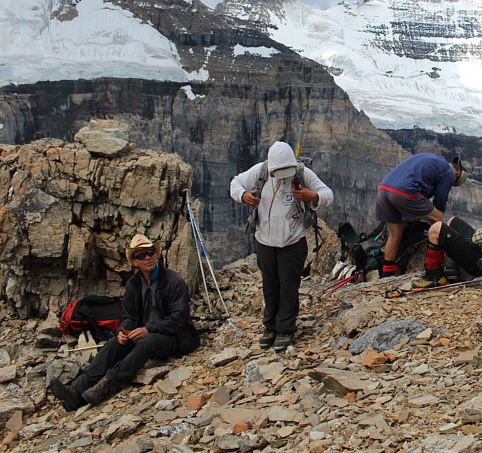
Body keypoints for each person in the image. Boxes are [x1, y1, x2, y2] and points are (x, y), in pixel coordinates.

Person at [49, 234, 200, 411]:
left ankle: (108, 384)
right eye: (141, 255)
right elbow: (130, 316)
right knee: (115, 343)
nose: (147, 258)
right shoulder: (133, 285)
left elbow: (179, 318)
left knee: (147, 342)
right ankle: (77, 390)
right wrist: (124, 331)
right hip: (146, 332)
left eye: (150, 253)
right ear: (134, 262)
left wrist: (148, 329)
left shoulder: (173, 281)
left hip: (177, 337)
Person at [229, 141, 333, 351]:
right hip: (264, 241)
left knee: (288, 285)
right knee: (270, 285)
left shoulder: (303, 175)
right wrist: (243, 195)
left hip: (292, 242)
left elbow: (328, 194)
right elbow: (235, 183)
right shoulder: (261, 171)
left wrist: (312, 196)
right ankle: (270, 327)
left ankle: (285, 329)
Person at [375, 153, 467, 277]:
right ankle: (439, 265)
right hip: (404, 191)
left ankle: (386, 274)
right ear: (457, 174)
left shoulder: (433, 159)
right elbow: (440, 201)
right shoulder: (448, 172)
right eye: (453, 183)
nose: (451, 184)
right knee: (439, 221)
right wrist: (436, 220)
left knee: (394, 235)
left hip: (384, 190)